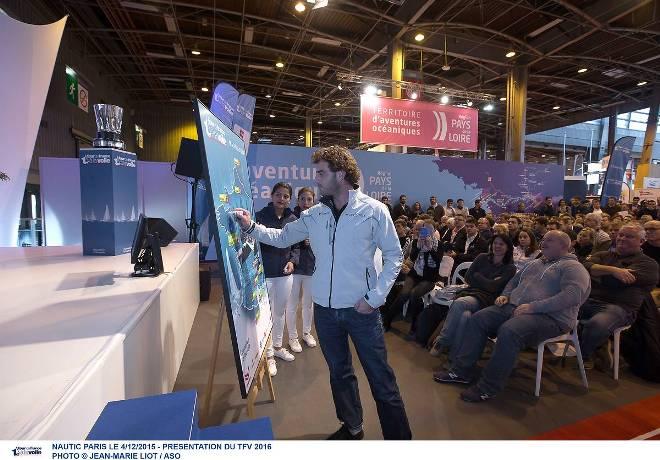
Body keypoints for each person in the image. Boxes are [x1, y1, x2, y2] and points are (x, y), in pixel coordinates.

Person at [234, 146, 411, 440]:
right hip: (326, 312)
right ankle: (352, 427)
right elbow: (282, 237)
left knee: (381, 379)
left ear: (341, 174)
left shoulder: (374, 211)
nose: (315, 179)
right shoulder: (314, 215)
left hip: (362, 311)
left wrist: (375, 298)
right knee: (340, 374)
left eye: (321, 172)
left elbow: (394, 256)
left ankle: (400, 440)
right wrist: (251, 227)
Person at [433, 231, 591, 402]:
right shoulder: (536, 263)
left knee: (509, 331)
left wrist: (533, 307)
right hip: (514, 306)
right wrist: (506, 295)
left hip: (551, 317)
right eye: (543, 239)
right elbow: (514, 282)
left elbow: (572, 296)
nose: (543, 242)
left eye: (550, 240)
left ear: (564, 246)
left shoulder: (573, 268)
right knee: (478, 318)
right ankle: (461, 371)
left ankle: (488, 387)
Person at [579, 224, 659, 369]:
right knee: (557, 308)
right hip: (588, 301)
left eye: (629, 236)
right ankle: (598, 343)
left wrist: (597, 273)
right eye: (621, 235)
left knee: (596, 325)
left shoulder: (648, 264)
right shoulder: (604, 254)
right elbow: (583, 266)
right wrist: (613, 270)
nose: (622, 238)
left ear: (641, 241)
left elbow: (613, 283)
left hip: (619, 308)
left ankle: (586, 355)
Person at [430, 235, 517, 361]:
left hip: (487, 299)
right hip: (471, 291)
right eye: (495, 243)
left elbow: (493, 288)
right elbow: (468, 278)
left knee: (460, 303)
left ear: (508, 248)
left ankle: (443, 340)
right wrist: (489, 281)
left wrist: (478, 276)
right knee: (465, 316)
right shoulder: (482, 257)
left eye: (501, 244)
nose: (497, 246)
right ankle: (454, 357)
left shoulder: (510, 268)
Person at [255, 182, 298, 376]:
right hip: (265, 274)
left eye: (286, 196)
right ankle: (269, 353)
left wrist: (293, 261)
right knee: (266, 315)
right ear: (272, 196)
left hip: (285, 274)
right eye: (278, 195)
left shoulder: (293, 219)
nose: (282, 199)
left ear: (290, 199)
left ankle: (278, 347)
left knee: (279, 312)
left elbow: (297, 246)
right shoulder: (260, 217)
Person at [383, 219, 443, 336]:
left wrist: (429, 248)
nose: (426, 232)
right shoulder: (417, 242)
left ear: (434, 230)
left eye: (429, 230)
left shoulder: (439, 245)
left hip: (429, 278)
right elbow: (413, 257)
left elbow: (437, 261)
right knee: (403, 295)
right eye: (424, 229)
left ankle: (415, 325)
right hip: (415, 274)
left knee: (414, 295)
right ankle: (387, 320)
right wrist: (421, 246)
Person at [287, 187, 318, 353]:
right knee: (292, 304)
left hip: (312, 268)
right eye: (303, 199)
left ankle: (306, 333)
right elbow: (286, 243)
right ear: (297, 201)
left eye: (309, 199)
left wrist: (313, 242)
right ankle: (292, 337)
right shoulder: (292, 219)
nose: (306, 203)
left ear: (314, 202)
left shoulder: (318, 219)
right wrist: (300, 241)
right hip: (294, 268)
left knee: (308, 303)